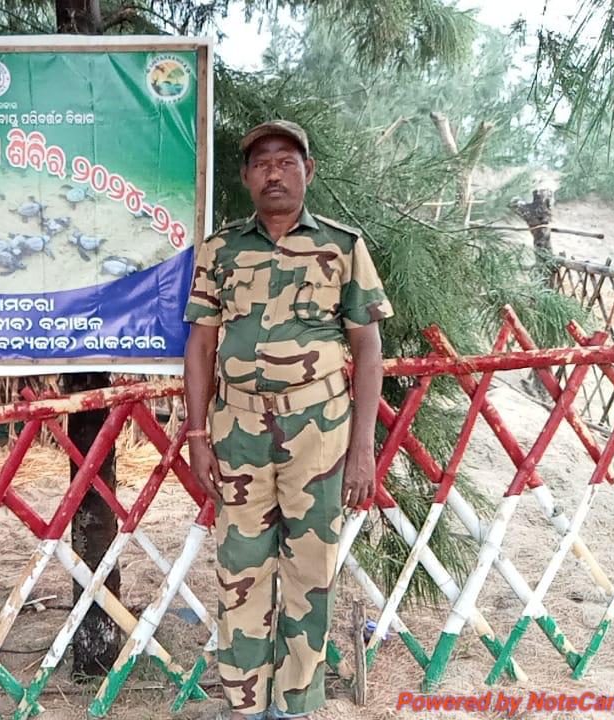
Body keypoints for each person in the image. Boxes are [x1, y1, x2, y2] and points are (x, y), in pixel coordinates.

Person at [182, 121, 392, 720]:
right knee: (239, 569)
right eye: (262, 163)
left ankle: (296, 705)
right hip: (238, 431)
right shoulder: (221, 250)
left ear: (308, 171)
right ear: (247, 177)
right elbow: (200, 344)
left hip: (319, 431)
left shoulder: (342, 246)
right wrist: (197, 435)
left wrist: (362, 449)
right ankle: (246, 705)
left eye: (287, 162)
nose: (274, 172)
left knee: (311, 570)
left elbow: (369, 350)